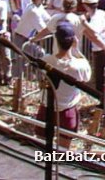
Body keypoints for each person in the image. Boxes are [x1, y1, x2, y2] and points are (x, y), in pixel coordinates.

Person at [35, 21, 91, 149]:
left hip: (46, 107)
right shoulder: (79, 66)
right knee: (62, 150)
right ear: (73, 41)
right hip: (67, 110)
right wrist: (76, 50)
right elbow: (87, 76)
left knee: (40, 146)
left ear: (56, 40)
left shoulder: (46, 60)